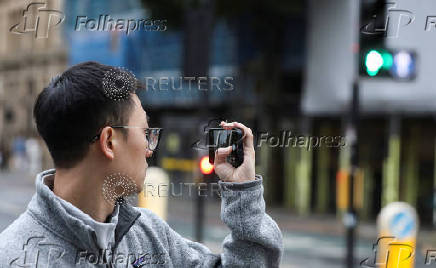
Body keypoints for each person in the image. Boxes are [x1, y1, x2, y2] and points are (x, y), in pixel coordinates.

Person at [0, 61, 283, 267]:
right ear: (109, 141)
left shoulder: (148, 234)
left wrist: (242, 191)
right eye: (146, 133)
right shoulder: (14, 256)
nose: (150, 150)